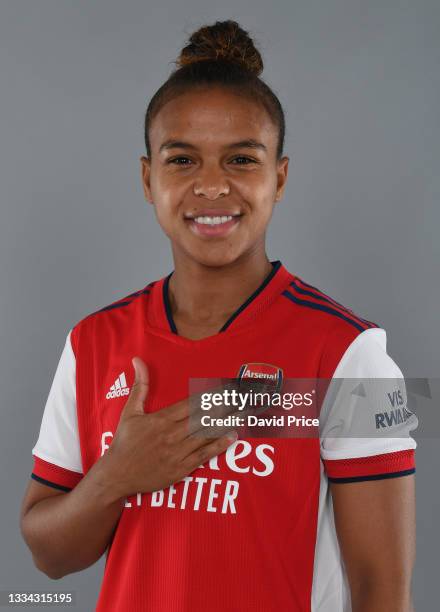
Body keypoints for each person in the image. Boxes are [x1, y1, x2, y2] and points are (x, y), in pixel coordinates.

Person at [20, 19, 417, 612]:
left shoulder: (345, 354)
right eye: (182, 160)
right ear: (147, 176)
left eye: (241, 159)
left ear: (278, 178)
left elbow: (382, 593)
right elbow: (50, 558)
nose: (211, 186)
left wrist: (229, 405)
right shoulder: (94, 343)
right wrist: (117, 475)